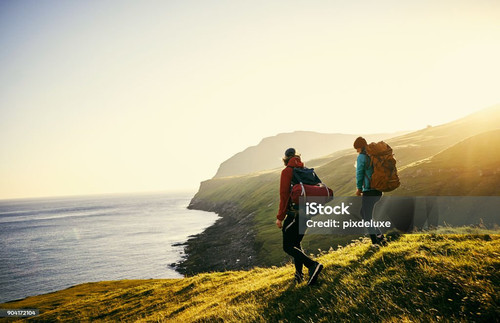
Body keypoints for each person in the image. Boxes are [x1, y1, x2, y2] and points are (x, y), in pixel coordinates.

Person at [276, 148, 323, 285]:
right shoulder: (305, 169)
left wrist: (280, 217)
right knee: (296, 243)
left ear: (285, 159)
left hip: (294, 214)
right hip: (307, 214)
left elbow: (284, 196)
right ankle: (299, 275)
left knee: (287, 246)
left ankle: (312, 265)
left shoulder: (287, 172)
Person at [353, 137, 387, 246]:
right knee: (364, 213)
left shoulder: (362, 157)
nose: (356, 151)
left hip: (369, 190)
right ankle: (379, 235)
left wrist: (359, 189)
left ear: (359, 147)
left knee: (366, 216)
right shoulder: (372, 155)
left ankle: (375, 242)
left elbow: (359, 174)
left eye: (356, 149)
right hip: (378, 189)